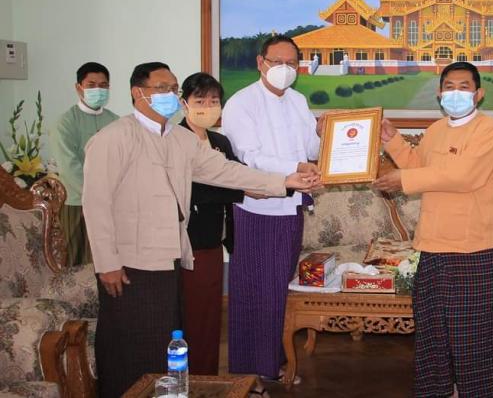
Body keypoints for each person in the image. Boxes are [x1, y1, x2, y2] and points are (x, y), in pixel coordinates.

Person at [82, 61, 319, 398]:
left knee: (162, 346)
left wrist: (285, 181)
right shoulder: (113, 138)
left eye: (173, 88)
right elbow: (96, 205)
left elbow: (227, 171)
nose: (169, 95)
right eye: (161, 88)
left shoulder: (180, 138)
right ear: (138, 93)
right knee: (127, 348)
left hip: (170, 258)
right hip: (128, 263)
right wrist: (107, 263)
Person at [374, 61, 493, 397]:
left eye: (464, 87)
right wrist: (393, 141)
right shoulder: (436, 130)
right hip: (432, 242)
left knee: (474, 332)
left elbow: (464, 176)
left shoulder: (489, 130)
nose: (456, 93)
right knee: (433, 328)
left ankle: (476, 391)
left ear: (478, 94)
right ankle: (442, 389)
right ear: (439, 94)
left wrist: (403, 180)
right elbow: (419, 167)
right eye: (449, 87)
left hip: (474, 245)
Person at [222, 34, 323, 384]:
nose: (284, 69)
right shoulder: (241, 103)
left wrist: (323, 132)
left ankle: (275, 359)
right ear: (260, 62)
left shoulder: (297, 100)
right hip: (258, 209)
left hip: (291, 207)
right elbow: (250, 156)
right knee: (255, 290)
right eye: (277, 61)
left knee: (279, 286)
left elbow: (311, 148)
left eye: (291, 63)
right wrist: (297, 166)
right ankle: (253, 368)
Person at [178, 72, 242, 375]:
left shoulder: (220, 141)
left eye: (214, 101)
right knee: (186, 317)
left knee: (209, 316)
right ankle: (182, 379)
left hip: (214, 241)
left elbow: (239, 176)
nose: (207, 107)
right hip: (185, 244)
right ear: (184, 104)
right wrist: (233, 188)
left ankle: (207, 378)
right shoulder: (175, 140)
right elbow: (195, 190)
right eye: (200, 101)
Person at [49, 62, 118, 266]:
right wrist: (97, 195)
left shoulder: (116, 121)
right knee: (76, 260)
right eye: (91, 85)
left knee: (107, 260)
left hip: (112, 203)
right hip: (77, 203)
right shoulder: (66, 122)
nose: (98, 89)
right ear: (78, 87)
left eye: (103, 85)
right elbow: (69, 167)